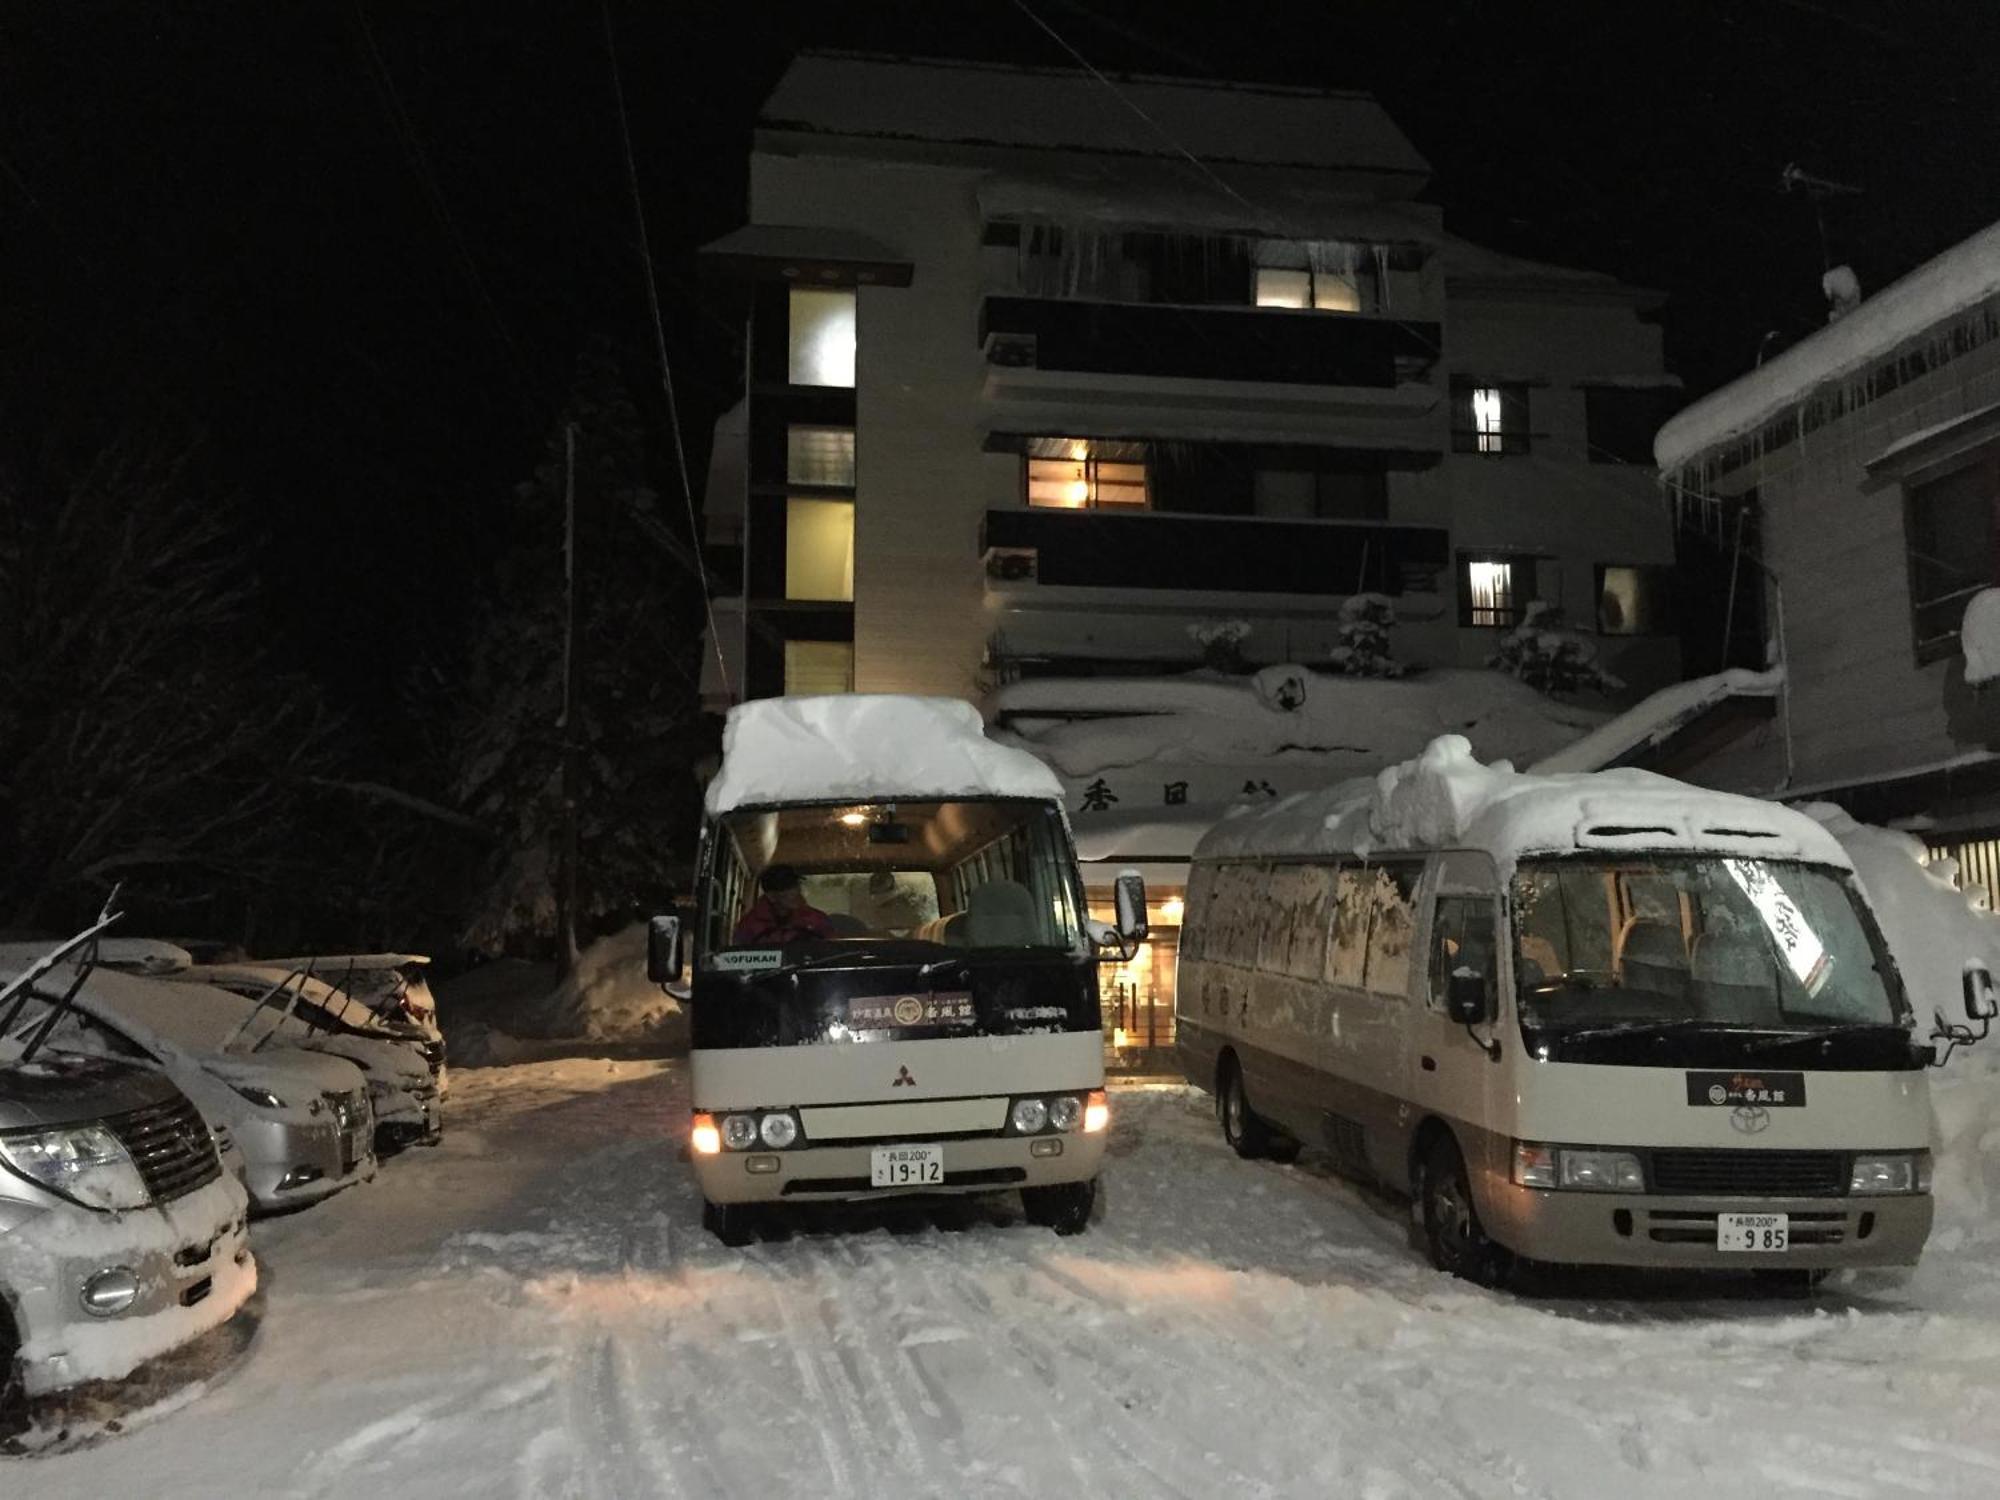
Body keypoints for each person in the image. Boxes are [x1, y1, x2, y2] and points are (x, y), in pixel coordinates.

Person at [731, 864, 835, 945]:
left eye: (796, 885)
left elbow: (833, 953)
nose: (795, 892)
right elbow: (738, 961)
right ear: (771, 896)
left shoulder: (817, 919)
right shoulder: (749, 925)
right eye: (786, 888)